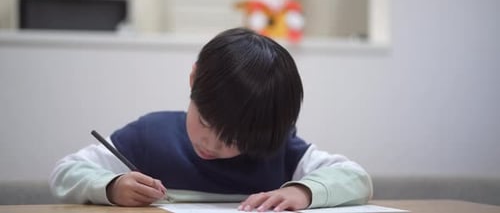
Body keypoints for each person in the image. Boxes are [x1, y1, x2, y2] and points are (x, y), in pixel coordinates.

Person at [50, 27, 372, 211]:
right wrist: (111, 186)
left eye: (233, 140)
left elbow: (355, 177)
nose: (211, 144)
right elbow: (65, 172)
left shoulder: (278, 149)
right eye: (204, 121)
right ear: (193, 80)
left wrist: (302, 192)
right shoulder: (149, 136)